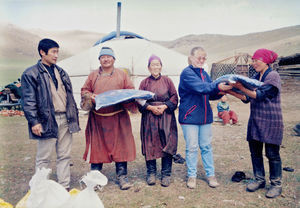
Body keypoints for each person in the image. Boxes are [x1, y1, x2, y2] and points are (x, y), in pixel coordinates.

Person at [21, 38, 80, 191]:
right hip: (46, 120)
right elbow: (28, 101)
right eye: (53, 52)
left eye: (57, 52)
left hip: (65, 118)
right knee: (43, 158)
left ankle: (64, 187)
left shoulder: (61, 72)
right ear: (42, 52)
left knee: (64, 155)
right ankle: (41, 188)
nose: (56, 55)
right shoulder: (30, 73)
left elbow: (69, 97)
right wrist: (34, 122)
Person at [229, 48, 283, 198]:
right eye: (252, 60)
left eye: (256, 60)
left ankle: (276, 184)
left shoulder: (272, 76)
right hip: (256, 120)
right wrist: (229, 91)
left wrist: (240, 87)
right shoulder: (255, 77)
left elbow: (258, 95)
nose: (253, 63)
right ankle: (259, 179)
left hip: (271, 121)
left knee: (272, 154)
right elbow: (247, 98)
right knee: (255, 152)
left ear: (265, 60)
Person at [81, 47, 137, 190]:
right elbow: (84, 90)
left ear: (113, 59)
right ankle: (95, 179)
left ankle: (122, 177)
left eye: (108, 57)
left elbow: (130, 90)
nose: (106, 59)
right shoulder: (93, 75)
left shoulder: (122, 75)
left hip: (118, 117)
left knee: (121, 147)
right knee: (97, 149)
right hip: (98, 119)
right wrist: (90, 96)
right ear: (99, 59)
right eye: (103, 57)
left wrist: (126, 97)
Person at [178, 47, 232, 189]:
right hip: (190, 116)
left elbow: (210, 92)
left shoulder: (204, 74)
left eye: (204, 58)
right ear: (191, 57)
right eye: (199, 57)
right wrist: (217, 85)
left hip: (204, 117)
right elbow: (202, 88)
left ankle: (210, 174)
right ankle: (192, 176)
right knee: (192, 147)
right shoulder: (187, 73)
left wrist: (221, 91)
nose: (201, 60)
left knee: (207, 146)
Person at [138, 55, 178, 187]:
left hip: (166, 116)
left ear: (161, 66)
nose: (155, 67)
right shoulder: (144, 83)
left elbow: (174, 97)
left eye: (157, 64)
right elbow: (139, 100)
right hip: (149, 117)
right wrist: (150, 107)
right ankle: (151, 173)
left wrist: (165, 106)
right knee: (150, 143)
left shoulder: (167, 81)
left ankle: (166, 174)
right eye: (152, 65)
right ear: (148, 67)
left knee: (167, 142)